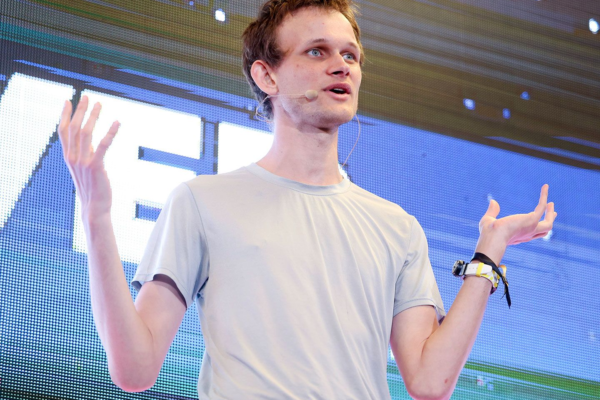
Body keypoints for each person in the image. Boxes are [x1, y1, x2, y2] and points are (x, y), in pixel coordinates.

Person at [57, 0, 557, 399]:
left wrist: (487, 256)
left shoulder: (397, 227)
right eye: (317, 52)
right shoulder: (201, 202)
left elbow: (430, 381)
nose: (341, 66)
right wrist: (96, 216)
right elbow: (135, 369)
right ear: (267, 76)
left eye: (350, 55)